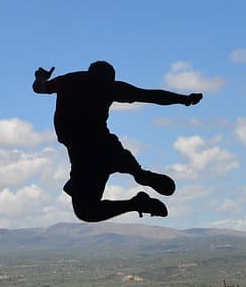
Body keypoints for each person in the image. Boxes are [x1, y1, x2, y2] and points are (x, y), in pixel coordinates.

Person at [33, 61, 202, 222]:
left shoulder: (67, 81)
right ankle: (139, 173)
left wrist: (41, 78)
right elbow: (150, 96)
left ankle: (137, 199)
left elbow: (39, 88)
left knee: (86, 211)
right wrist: (184, 99)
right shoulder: (109, 87)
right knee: (118, 167)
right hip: (108, 148)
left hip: (84, 156)